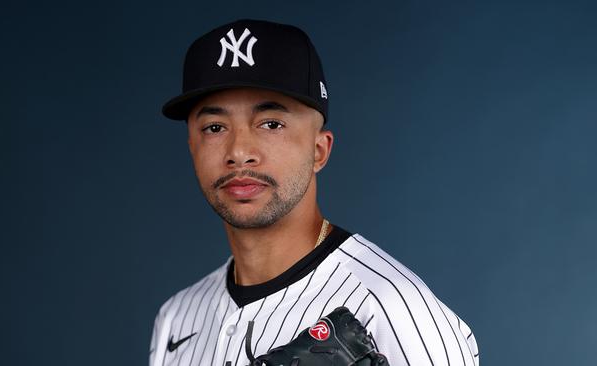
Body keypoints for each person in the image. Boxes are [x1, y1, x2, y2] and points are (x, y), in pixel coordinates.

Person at [149, 19, 479, 366]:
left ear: (319, 150)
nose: (239, 151)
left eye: (271, 124)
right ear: (192, 147)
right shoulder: (176, 318)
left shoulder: (391, 308)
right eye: (214, 127)